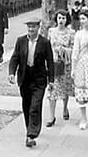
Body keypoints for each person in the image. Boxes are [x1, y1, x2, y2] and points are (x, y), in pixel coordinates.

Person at [9, 17, 54, 147]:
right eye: (29, 27)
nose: (31, 29)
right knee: (27, 106)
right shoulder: (21, 41)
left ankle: (31, 135)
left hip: (39, 78)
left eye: (33, 27)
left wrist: (51, 80)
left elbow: (50, 62)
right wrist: (11, 73)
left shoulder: (45, 43)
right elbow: (14, 58)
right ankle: (29, 128)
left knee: (35, 106)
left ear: (38, 27)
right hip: (25, 77)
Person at [46, 10, 75, 127]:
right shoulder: (51, 31)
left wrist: (64, 50)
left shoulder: (71, 33)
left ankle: (65, 107)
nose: (61, 20)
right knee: (52, 89)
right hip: (53, 63)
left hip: (65, 64)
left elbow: (74, 49)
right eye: (59, 18)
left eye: (63, 18)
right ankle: (51, 116)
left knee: (65, 87)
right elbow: (47, 45)